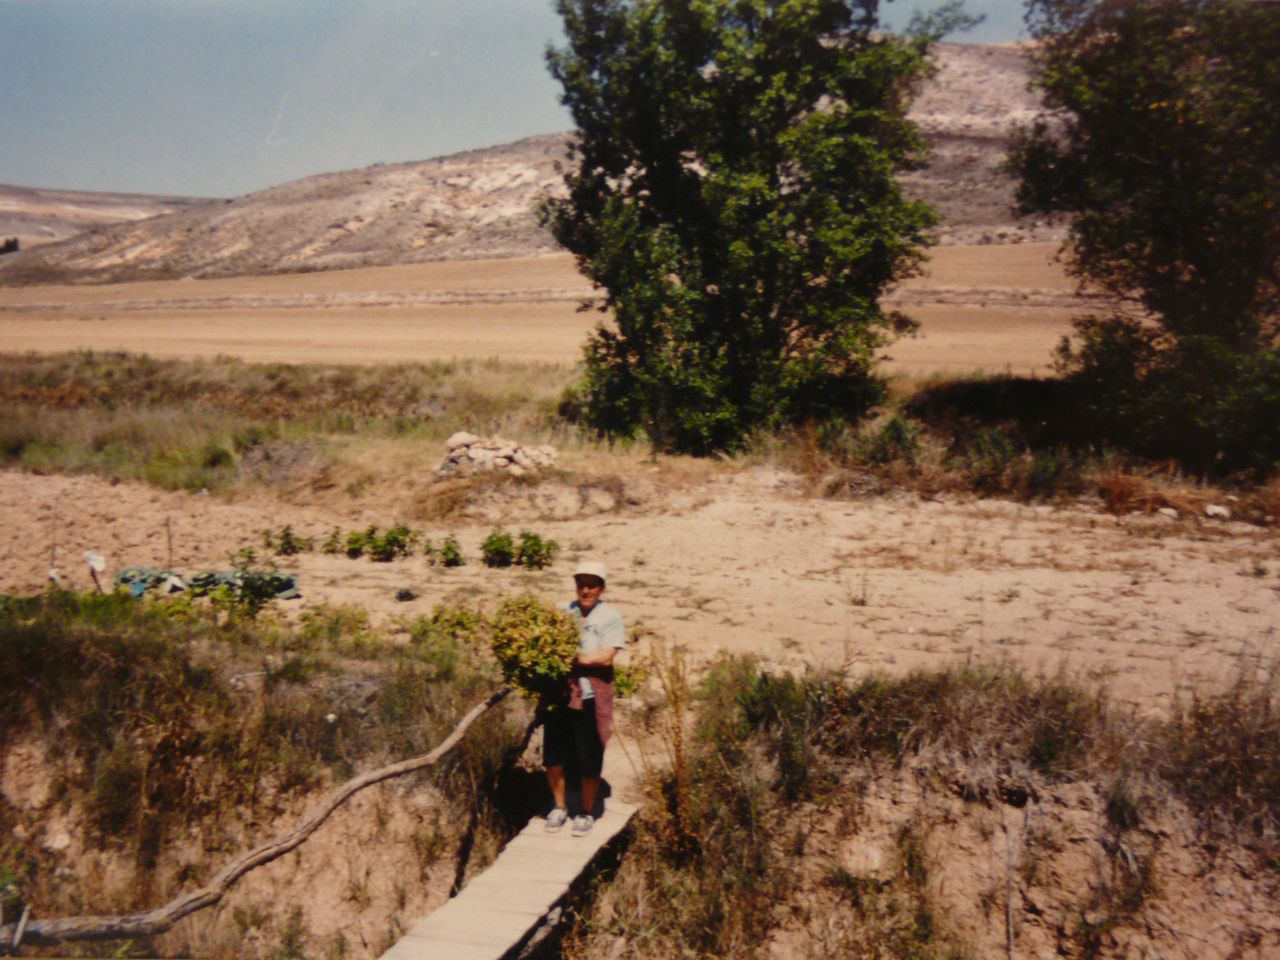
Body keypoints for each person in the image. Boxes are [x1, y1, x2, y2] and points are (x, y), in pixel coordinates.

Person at [543, 560, 625, 837]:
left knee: (589, 755)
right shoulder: (563, 611)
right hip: (560, 693)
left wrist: (573, 659)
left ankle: (586, 811)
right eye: (581, 584)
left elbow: (606, 657)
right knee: (553, 754)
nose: (585, 590)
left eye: (591, 585)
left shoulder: (610, 617)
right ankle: (559, 807)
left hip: (590, 695)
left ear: (601, 588)